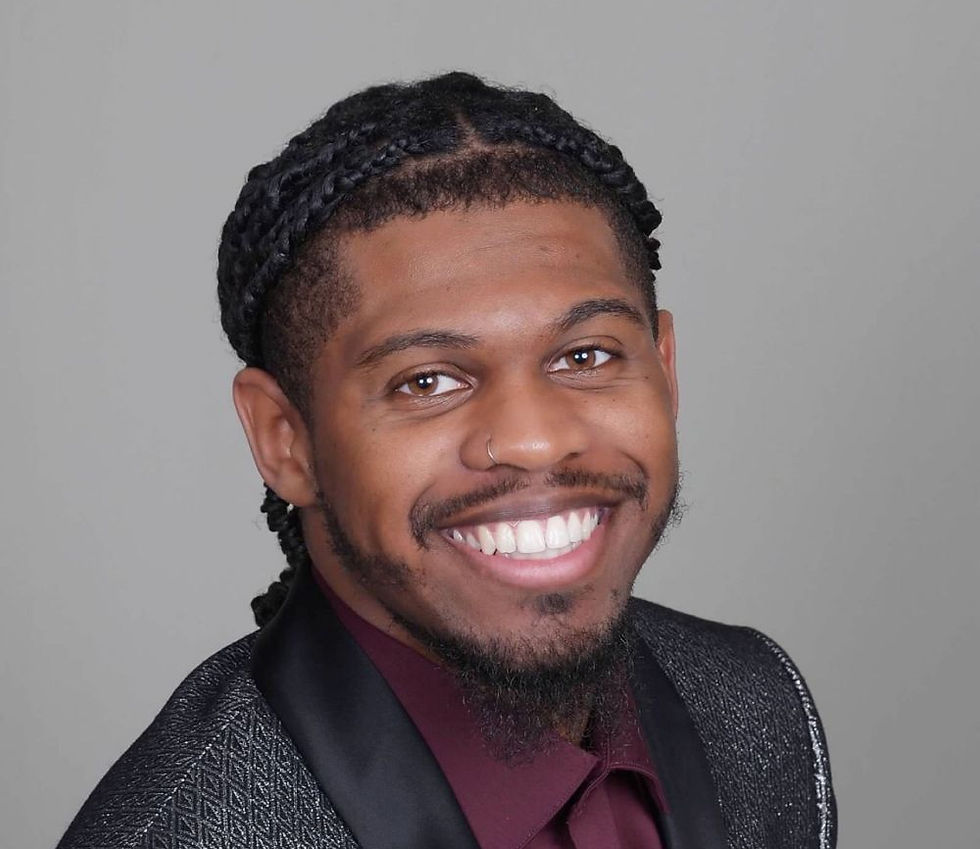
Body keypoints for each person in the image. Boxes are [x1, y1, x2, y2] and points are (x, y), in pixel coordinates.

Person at [57, 72, 836, 849]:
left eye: (586, 355)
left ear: (665, 369)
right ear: (284, 439)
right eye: (427, 381)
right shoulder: (179, 831)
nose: (533, 440)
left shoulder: (752, 704)